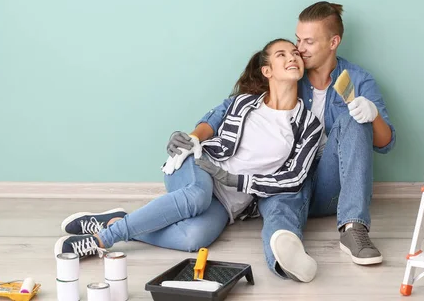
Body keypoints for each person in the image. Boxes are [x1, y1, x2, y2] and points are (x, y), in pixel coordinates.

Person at [54, 38, 323, 281]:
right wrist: (190, 139)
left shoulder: (308, 125)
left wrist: (234, 180)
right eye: (281, 54)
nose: (292, 57)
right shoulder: (243, 104)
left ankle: (120, 221)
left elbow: (295, 178)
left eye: (295, 53)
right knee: (197, 196)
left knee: (194, 238)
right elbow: (208, 123)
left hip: (230, 201)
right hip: (199, 166)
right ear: (267, 71)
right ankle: (103, 239)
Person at [198, 1, 396, 282]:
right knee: (279, 214)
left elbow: (386, 142)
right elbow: (227, 110)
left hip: (329, 184)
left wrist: (372, 114)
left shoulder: (359, 80)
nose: (300, 49)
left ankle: (353, 229)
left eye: (309, 42)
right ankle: (285, 261)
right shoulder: (289, 73)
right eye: (298, 40)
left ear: (333, 42)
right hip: (285, 181)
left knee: (352, 119)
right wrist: (194, 138)